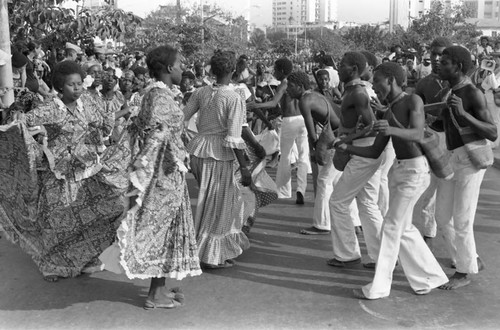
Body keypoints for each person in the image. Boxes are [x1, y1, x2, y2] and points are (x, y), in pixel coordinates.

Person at [0, 61, 126, 282]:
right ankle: (53, 265)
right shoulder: (51, 108)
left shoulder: (87, 103)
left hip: (87, 168)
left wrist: (117, 114)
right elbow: (23, 120)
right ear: (60, 86)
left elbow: (104, 125)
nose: (77, 88)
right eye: (71, 85)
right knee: (58, 223)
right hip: (60, 173)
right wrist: (18, 116)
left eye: (79, 84)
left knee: (110, 208)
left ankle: (86, 256)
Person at [335, 62, 448, 300]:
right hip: (400, 171)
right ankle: (430, 276)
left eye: (377, 81)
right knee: (403, 227)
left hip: (416, 172)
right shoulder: (388, 110)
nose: (374, 87)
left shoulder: (412, 101)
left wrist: (391, 129)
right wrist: (348, 147)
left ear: (391, 80)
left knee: (392, 226)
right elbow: (375, 151)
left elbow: (417, 134)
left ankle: (379, 287)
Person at [111, 45, 202, 309]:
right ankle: (156, 294)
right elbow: (158, 135)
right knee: (161, 231)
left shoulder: (154, 93)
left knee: (162, 230)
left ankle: (159, 289)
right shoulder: (160, 97)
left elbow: (148, 129)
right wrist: (181, 155)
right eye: (180, 63)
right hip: (163, 177)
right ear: (169, 68)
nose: (183, 68)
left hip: (165, 174)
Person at [436, 46, 497, 290]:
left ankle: (463, 272)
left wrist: (463, 113)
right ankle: (469, 258)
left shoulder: (472, 93)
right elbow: (447, 126)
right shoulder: (450, 90)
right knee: (442, 217)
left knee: (462, 219)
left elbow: (492, 131)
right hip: (453, 157)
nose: (439, 65)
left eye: (445, 62)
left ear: (459, 67)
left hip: (470, 160)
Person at [184, 51, 251, 269]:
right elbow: (234, 137)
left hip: (199, 149)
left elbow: (181, 116)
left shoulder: (201, 92)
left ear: (212, 70)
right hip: (219, 154)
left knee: (207, 201)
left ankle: (207, 249)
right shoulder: (233, 97)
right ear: (233, 71)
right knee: (219, 204)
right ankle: (210, 255)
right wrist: (245, 166)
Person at [327, 52, 383, 268]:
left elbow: (371, 125)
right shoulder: (352, 91)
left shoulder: (358, 93)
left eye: (342, 65)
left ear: (353, 70)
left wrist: (346, 140)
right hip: (364, 150)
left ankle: (347, 254)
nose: (338, 68)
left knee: (338, 202)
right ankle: (381, 257)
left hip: (363, 152)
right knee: (368, 204)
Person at [286, 71, 347, 235]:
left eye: (290, 87)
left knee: (324, 180)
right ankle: (352, 221)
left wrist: (315, 150)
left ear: (300, 86)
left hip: (337, 137)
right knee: (336, 180)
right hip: (343, 134)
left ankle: (322, 224)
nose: (287, 90)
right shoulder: (314, 95)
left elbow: (310, 130)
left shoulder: (305, 100)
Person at [248, 58, 310, 204]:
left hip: (289, 121)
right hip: (302, 120)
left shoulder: (285, 83)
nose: (273, 72)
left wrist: (256, 106)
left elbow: (274, 103)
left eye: (275, 69)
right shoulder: (299, 82)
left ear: (282, 71)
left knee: (285, 158)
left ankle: (283, 191)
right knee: (303, 156)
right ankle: (301, 189)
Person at [413, 37, 453, 245]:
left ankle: (458, 248)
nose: (436, 59)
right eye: (433, 54)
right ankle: (428, 233)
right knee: (428, 188)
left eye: (441, 54)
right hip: (432, 138)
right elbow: (416, 110)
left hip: (454, 142)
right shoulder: (424, 83)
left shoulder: (460, 82)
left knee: (450, 191)